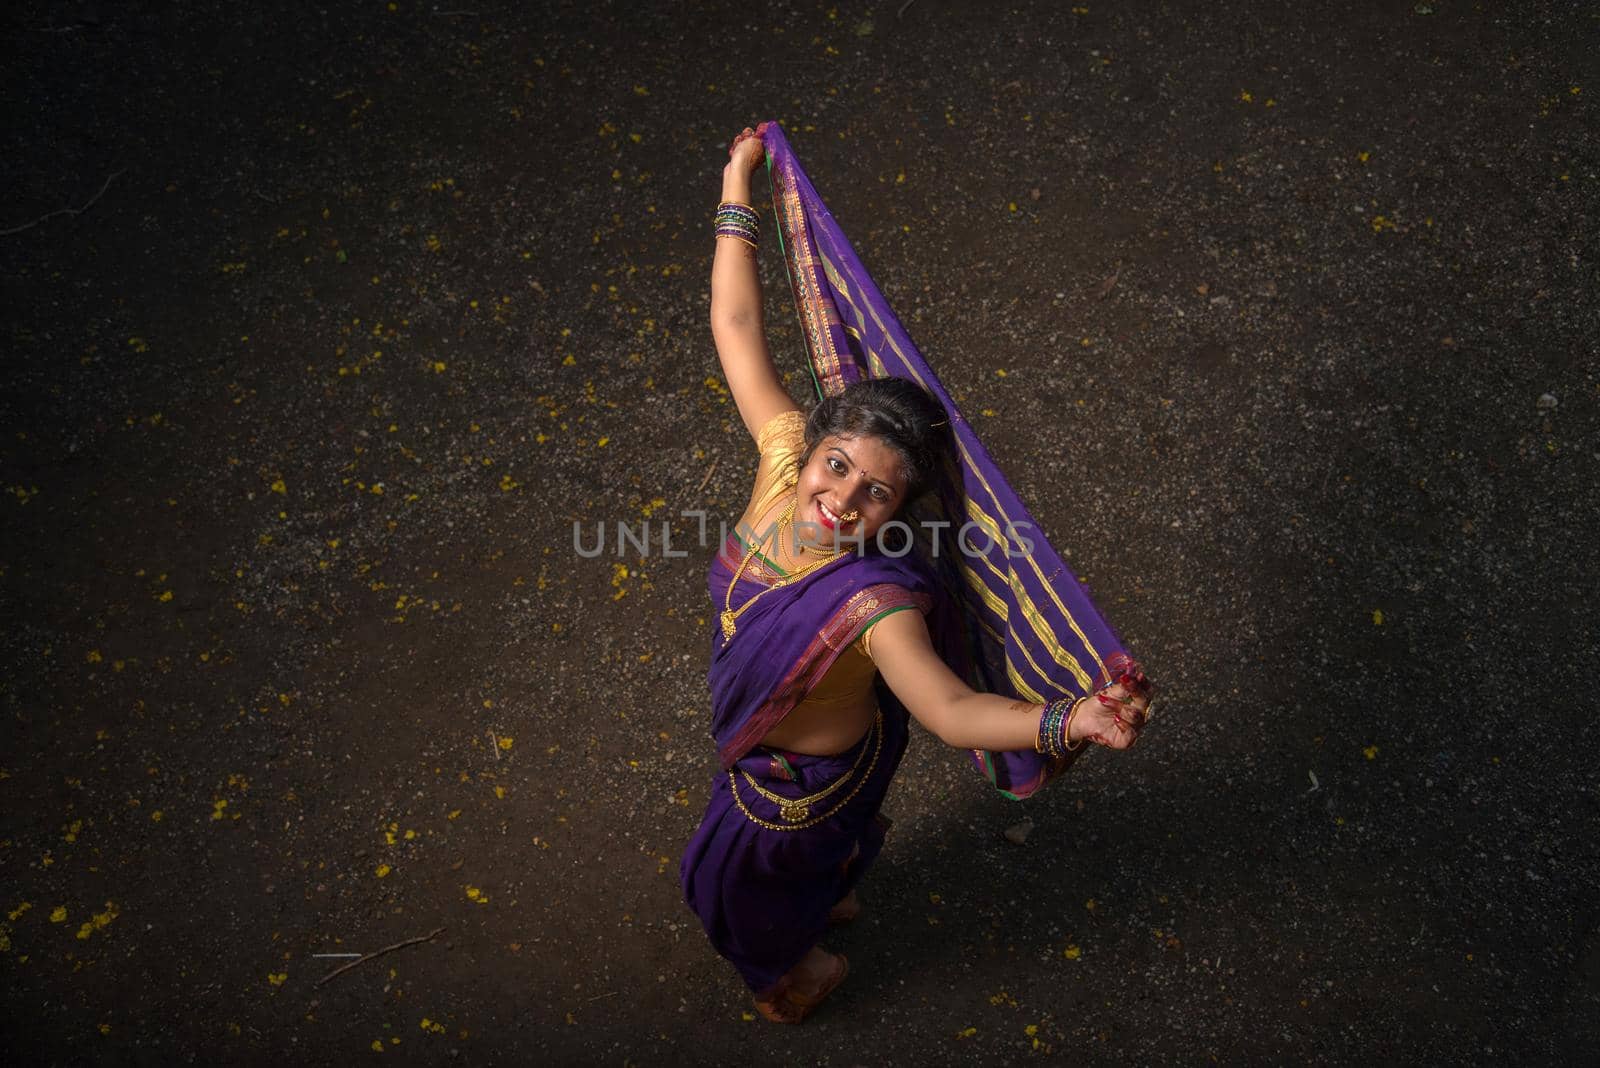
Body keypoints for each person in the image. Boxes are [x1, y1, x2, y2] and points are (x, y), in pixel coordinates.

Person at [679, 125, 1154, 1025]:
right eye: (838, 465)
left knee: (733, 896)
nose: (841, 499)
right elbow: (734, 323)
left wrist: (1072, 718)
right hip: (786, 757)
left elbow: (946, 711)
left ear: (899, 513)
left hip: (796, 794)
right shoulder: (782, 462)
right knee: (807, 874)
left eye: (875, 493)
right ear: (814, 446)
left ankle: (799, 975)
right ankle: (832, 895)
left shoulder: (874, 603)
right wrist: (739, 181)